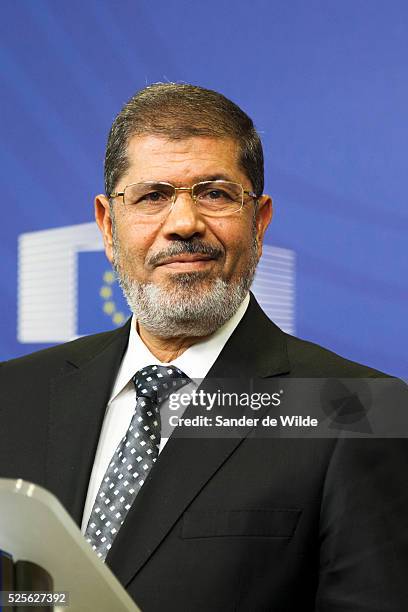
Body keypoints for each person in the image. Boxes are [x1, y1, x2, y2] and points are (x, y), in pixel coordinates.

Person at [1, 83, 407, 611]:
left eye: (214, 193)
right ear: (107, 225)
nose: (185, 224)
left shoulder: (358, 410)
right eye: (153, 196)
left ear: (258, 221)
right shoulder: (14, 395)